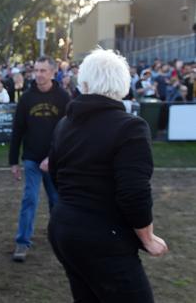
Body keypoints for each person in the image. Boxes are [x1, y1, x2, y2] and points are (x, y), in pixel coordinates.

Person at [47, 49, 168, 302]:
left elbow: (56, 175)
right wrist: (147, 238)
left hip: (64, 230)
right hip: (103, 239)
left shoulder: (65, 124)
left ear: (85, 82)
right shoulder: (130, 127)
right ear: (122, 83)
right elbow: (134, 193)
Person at [8, 56, 71, 262]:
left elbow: (67, 132)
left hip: (56, 161)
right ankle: (22, 242)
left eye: (43, 70)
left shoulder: (63, 97)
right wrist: (13, 161)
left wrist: (52, 157)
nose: (39, 74)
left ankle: (60, 238)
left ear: (53, 72)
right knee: (30, 199)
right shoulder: (26, 98)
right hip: (32, 159)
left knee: (57, 201)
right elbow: (18, 130)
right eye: (36, 70)